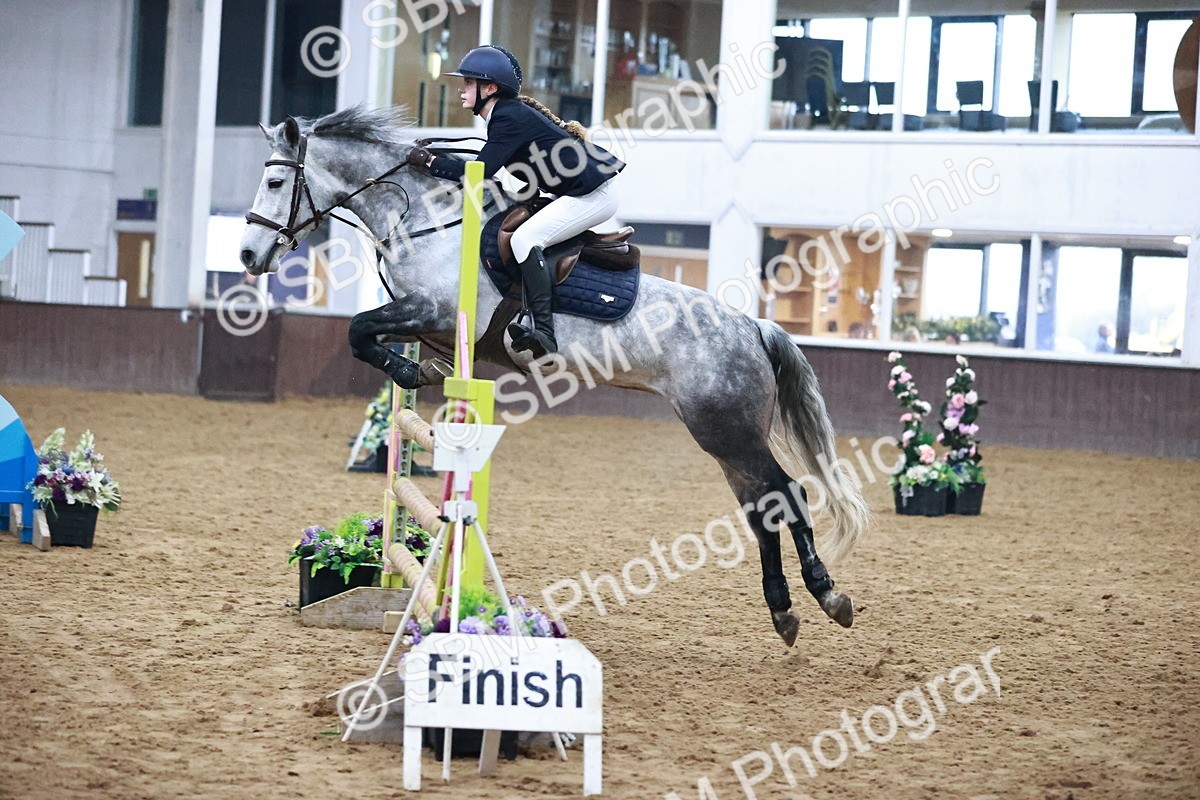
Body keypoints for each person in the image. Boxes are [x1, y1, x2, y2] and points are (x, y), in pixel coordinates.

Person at [406, 45, 626, 359]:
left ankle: (544, 330)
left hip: (593, 195)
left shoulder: (507, 117)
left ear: (490, 88)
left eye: (469, 83)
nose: (462, 89)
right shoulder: (506, 115)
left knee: (525, 238)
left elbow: (478, 173)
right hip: (577, 190)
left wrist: (430, 162)